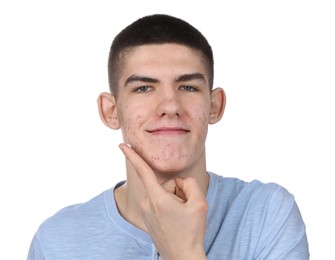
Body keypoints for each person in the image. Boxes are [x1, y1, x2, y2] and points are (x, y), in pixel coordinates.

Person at [27, 14, 309, 259]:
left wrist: (182, 252)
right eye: (143, 89)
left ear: (215, 106)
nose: (170, 106)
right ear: (111, 111)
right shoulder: (56, 240)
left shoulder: (267, 213)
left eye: (187, 87)